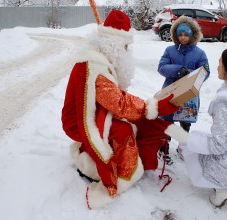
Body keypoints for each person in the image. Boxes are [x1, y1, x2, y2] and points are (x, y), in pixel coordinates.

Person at [61, 10, 180, 209]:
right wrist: (151, 107)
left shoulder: (100, 58)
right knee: (125, 130)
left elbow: (114, 98)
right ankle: (121, 175)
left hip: (95, 111)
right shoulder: (96, 64)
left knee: (131, 120)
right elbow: (118, 102)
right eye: (125, 45)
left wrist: (145, 107)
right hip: (79, 121)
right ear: (113, 44)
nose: (127, 50)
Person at [174, 48, 227, 207]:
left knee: (189, 143)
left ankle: (223, 189)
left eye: (220, 62)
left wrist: (187, 139)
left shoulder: (225, 101)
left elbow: (218, 145)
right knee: (198, 139)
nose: (217, 66)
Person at [157, 16, 210, 165]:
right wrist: (179, 70)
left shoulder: (199, 53)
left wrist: (192, 76)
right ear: (175, 35)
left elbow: (205, 71)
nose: (183, 38)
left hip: (189, 95)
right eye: (180, 34)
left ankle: (183, 148)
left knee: (185, 122)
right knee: (167, 121)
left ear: (193, 34)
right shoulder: (170, 50)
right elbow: (162, 67)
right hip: (170, 92)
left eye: (186, 34)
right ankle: (164, 148)